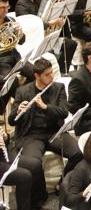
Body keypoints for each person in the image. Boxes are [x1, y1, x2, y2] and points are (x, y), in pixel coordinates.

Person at [8, 58, 83, 206]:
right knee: (33, 163)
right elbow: (11, 121)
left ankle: (63, 184)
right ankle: (40, 198)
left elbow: (63, 111)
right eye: (47, 75)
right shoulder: (23, 91)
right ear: (37, 76)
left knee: (78, 154)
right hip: (32, 135)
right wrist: (19, 111)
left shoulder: (59, 88)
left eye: (51, 73)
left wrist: (45, 107)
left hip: (54, 132)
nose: (51, 77)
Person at [14, 0, 77, 73]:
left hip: (44, 36)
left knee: (71, 44)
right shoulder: (21, 5)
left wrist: (58, 5)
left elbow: (47, 13)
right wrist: (52, 23)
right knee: (51, 52)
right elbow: (32, 26)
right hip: (33, 42)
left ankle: (62, 71)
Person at [0, 0, 32, 114]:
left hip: (15, 56)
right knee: (10, 83)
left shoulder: (11, 21)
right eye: (2, 8)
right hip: (2, 61)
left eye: (7, 7)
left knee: (35, 72)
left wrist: (20, 32)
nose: (5, 11)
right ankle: (21, 107)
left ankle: (26, 97)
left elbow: (22, 41)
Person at [0, 128, 38, 210]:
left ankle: (35, 204)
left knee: (34, 165)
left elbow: (6, 144)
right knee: (25, 176)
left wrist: (5, 137)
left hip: (3, 155)